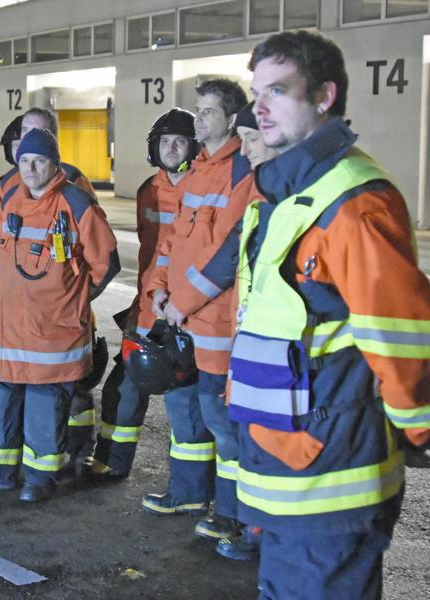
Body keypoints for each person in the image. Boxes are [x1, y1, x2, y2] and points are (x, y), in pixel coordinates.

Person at [197, 31, 430, 594]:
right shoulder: (287, 192)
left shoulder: (352, 202)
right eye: (257, 92)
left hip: (331, 477)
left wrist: (421, 430)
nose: (259, 106)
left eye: (278, 91)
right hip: (289, 465)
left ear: (325, 96)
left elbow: (400, 336)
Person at [0, 128, 118, 502]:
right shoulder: (9, 197)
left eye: (39, 161)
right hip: (7, 322)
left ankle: (40, 478)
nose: (30, 168)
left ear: (54, 164)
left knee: (45, 403)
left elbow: (105, 262)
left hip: (53, 328)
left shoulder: (76, 202)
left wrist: (74, 299)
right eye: (24, 161)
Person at [143, 79, 252, 540]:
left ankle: (230, 514)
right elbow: (172, 243)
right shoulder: (200, 171)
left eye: (208, 111)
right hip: (182, 321)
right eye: (198, 109)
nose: (198, 118)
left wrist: (181, 302)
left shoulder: (240, 170)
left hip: (216, 325)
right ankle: (187, 493)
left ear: (231, 119)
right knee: (185, 415)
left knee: (223, 425)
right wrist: (158, 289)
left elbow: (229, 253)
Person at [87, 108, 199, 482]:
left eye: (179, 141)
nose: (171, 148)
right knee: (124, 388)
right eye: (165, 141)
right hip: (147, 310)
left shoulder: (204, 189)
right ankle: (110, 463)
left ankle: (191, 490)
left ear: (193, 146)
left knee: (186, 404)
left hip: (188, 313)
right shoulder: (147, 191)